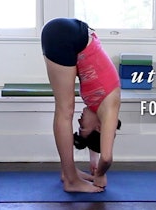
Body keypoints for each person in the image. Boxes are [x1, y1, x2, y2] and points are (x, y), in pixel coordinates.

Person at [41, 18, 121, 193]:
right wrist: (100, 174)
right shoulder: (110, 110)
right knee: (65, 111)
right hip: (67, 35)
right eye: (82, 127)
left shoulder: (99, 109)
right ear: (99, 127)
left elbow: (98, 140)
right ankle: (71, 180)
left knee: (65, 110)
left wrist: (93, 162)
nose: (80, 121)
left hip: (71, 33)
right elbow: (107, 157)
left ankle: (68, 172)